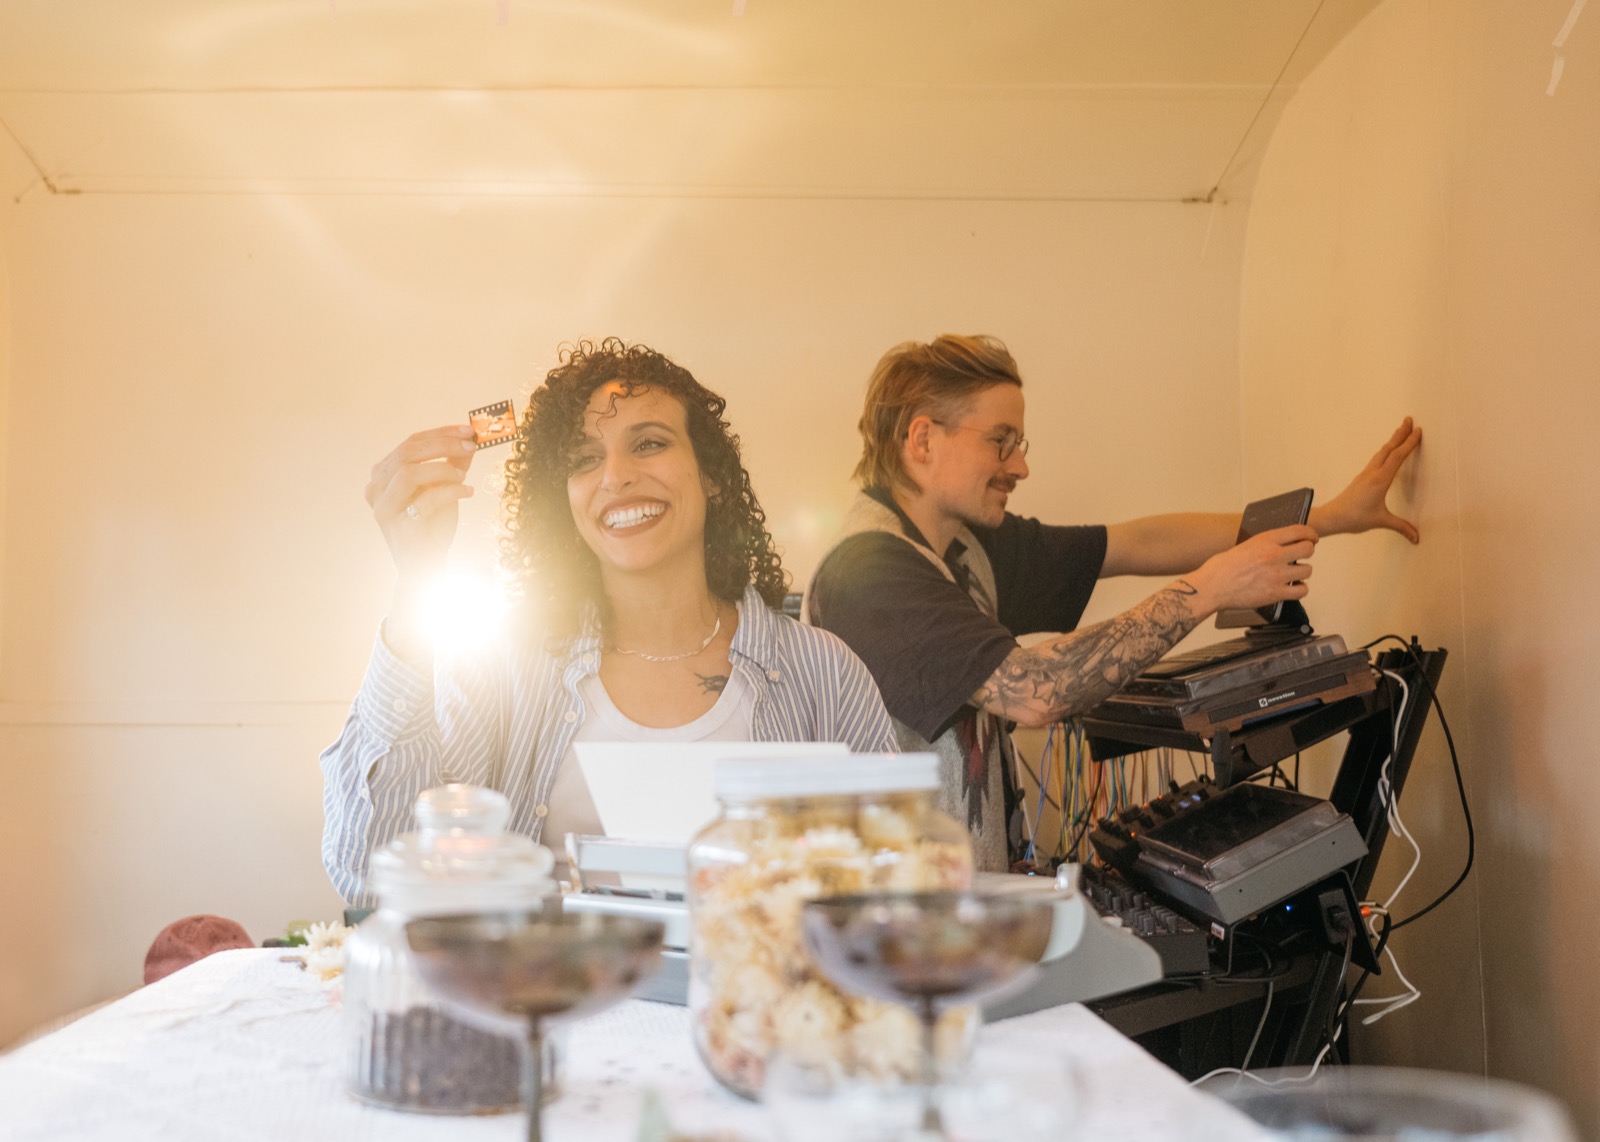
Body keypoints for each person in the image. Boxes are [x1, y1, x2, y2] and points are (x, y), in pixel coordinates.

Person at [805, 334, 1422, 872]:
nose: (1019, 465)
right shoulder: (870, 573)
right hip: (892, 941)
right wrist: (1212, 588)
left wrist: (1332, 517)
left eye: (1021, 442)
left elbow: (1133, 543)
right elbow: (1035, 690)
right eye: (1000, 441)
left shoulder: (968, 544)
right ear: (921, 439)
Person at [322, 338, 896, 904]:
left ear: (712, 476)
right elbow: (370, 875)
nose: (614, 477)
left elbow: (898, 884)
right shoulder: (504, 671)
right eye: (584, 459)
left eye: (648, 443)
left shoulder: (826, 672)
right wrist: (415, 584)